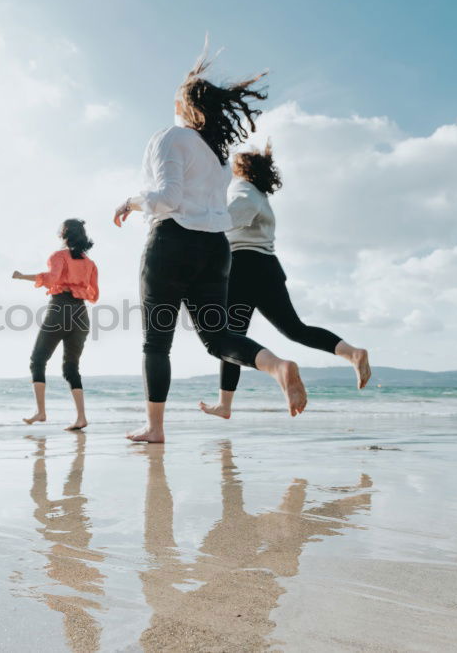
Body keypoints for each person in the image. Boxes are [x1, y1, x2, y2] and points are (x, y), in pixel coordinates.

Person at [113, 51, 307, 444]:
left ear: (184, 106)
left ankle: (154, 428)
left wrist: (131, 202)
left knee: (156, 341)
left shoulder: (170, 138)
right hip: (215, 249)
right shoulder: (218, 157)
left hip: (172, 242)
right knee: (217, 338)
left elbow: (167, 198)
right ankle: (277, 365)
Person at [200, 143, 371, 419]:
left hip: (243, 267)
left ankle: (226, 403)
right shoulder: (260, 195)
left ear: (242, 169)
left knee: (231, 338)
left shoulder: (243, 189)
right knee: (295, 329)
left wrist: (202, 222)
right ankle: (352, 353)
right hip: (267, 268)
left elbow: (231, 216)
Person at [12, 219, 98, 431]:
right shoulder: (90, 264)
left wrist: (23, 276)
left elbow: (52, 279)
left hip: (60, 309)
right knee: (71, 367)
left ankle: (41, 412)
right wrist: (77, 288)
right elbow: (94, 294)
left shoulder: (59, 256)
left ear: (63, 234)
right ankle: (81, 418)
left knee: (37, 359)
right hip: (81, 313)